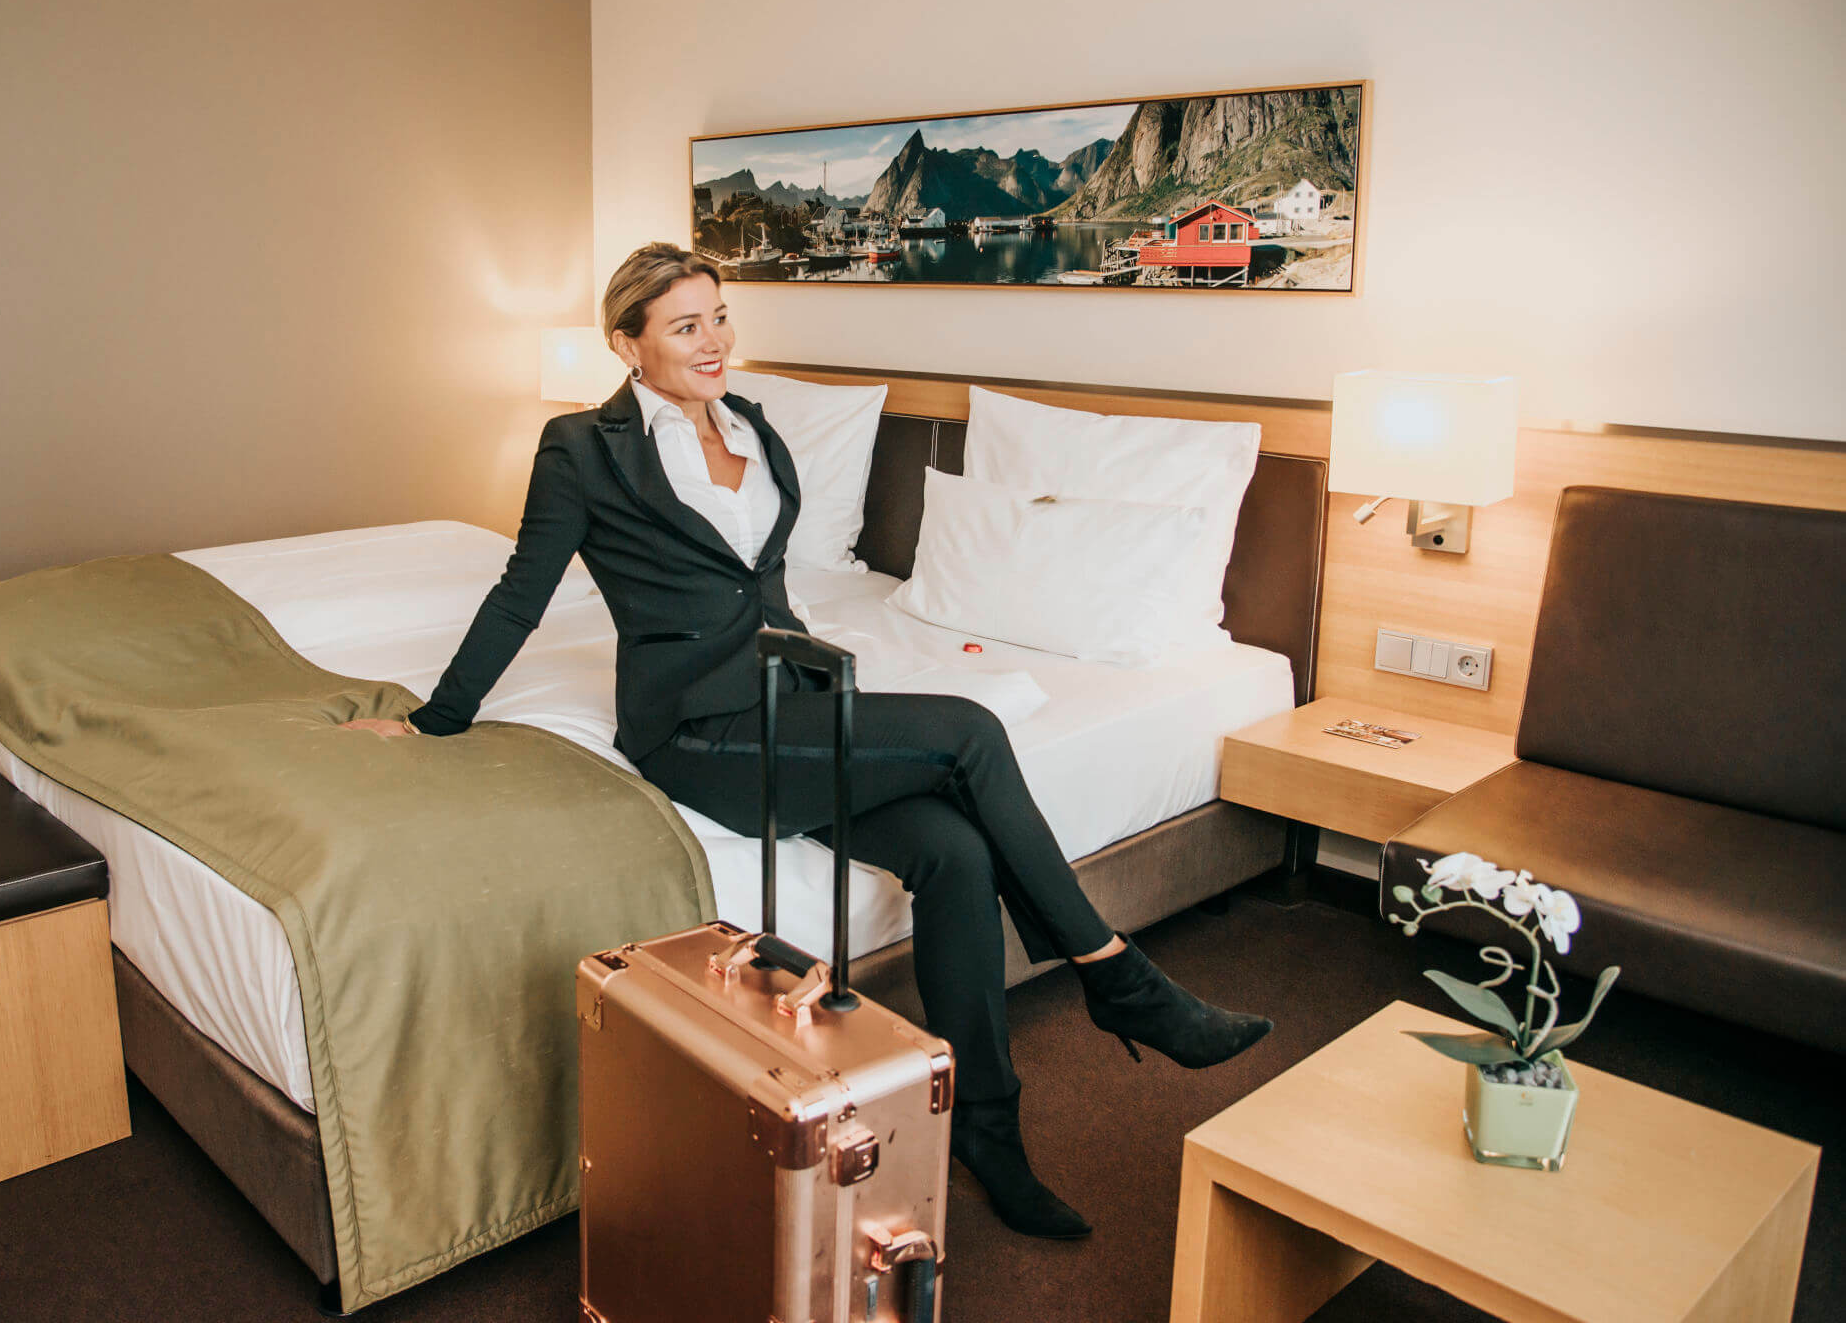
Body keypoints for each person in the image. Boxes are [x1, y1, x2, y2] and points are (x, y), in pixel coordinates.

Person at [342, 242, 1271, 1238]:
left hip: (789, 702)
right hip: (694, 730)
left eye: (721, 316)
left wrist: (831, 677)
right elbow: (521, 592)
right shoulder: (583, 447)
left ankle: (990, 1137)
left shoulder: (756, 426)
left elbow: (768, 587)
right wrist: (439, 715)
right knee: (971, 732)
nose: (714, 341)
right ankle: (1115, 976)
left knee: (955, 853)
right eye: (684, 325)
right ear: (628, 344)